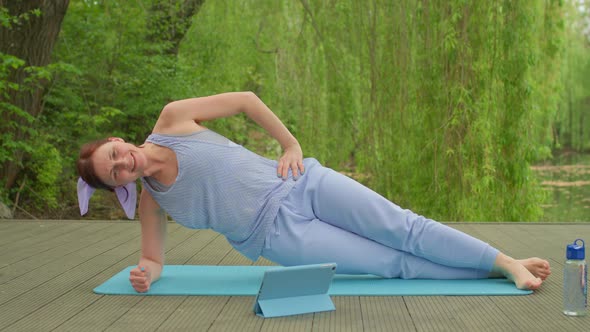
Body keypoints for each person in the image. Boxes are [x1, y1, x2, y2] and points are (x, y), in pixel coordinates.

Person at [76, 92, 551, 293]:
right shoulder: (153, 202)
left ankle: (504, 261)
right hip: (278, 239)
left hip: (301, 183)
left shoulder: (172, 118)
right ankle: (488, 274)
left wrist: (290, 143)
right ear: (118, 184)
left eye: (114, 155)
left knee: (403, 226)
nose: (122, 164)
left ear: (118, 141)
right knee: (392, 264)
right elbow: (155, 260)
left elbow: (244, 101)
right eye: (113, 173)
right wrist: (145, 275)